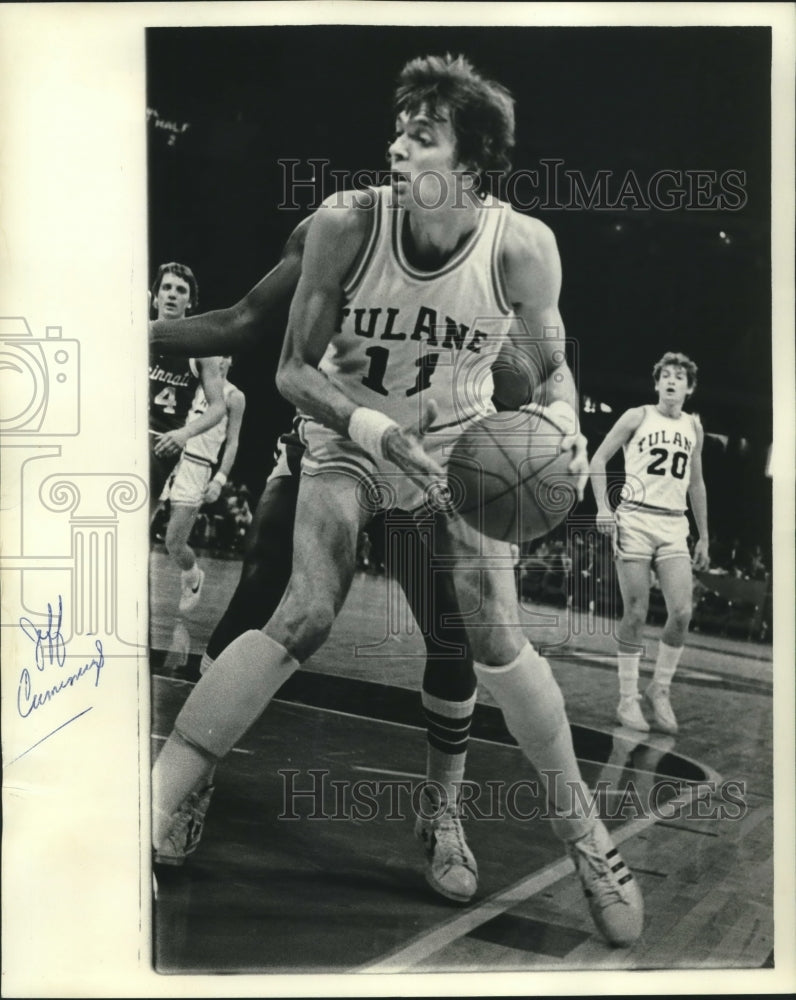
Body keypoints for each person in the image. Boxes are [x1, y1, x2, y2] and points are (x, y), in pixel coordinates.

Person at [151, 54, 643, 945]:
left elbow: (551, 363)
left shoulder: (522, 248)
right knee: (301, 606)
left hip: (454, 449)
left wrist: (564, 417)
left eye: (423, 133)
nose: (397, 143)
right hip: (348, 436)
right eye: (398, 126)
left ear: (471, 165)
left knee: (488, 632)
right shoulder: (346, 221)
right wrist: (375, 433)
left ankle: (584, 836)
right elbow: (291, 366)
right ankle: (158, 798)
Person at [589, 351, 710, 734]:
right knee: (637, 611)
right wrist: (603, 508)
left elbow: (696, 483)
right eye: (666, 376)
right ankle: (627, 698)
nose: (672, 381)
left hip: (674, 523)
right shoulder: (636, 416)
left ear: (689, 389)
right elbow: (598, 459)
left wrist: (704, 535)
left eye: (680, 377)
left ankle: (660, 687)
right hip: (635, 518)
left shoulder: (694, 427)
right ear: (656, 383)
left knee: (682, 612)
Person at [160, 356, 246, 612]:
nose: (219, 361)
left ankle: (192, 575)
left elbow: (233, 442)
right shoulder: (190, 383)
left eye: (225, 357)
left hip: (198, 466)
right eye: (215, 355)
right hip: (168, 454)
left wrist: (220, 479)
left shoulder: (234, 396)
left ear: (231, 362)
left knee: (174, 542)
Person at [148, 262, 227, 520]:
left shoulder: (202, 348)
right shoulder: (132, 333)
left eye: (180, 290)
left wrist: (184, 433)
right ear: (156, 297)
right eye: (166, 288)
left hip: (162, 439)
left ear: (190, 302)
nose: (172, 294)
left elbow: (217, 407)